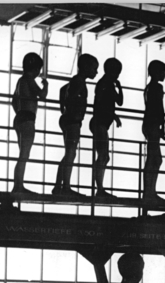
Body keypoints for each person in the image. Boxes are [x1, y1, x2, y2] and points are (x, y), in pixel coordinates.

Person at [52, 53, 99, 198]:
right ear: (85, 67)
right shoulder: (79, 81)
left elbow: (62, 90)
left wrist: (64, 108)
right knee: (70, 153)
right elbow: (71, 95)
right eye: (94, 68)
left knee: (69, 153)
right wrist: (72, 110)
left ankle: (59, 186)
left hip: (69, 119)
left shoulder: (77, 80)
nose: (96, 72)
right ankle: (64, 186)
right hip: (72, 120)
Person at [10, 52, 48, 194]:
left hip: (20, 117)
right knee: (24, 154)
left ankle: (18, 185)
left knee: (22, 154)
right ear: (36, 68)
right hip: (27, 118)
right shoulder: (29, 79)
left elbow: (13, 101)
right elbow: (42, 95)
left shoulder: (20, 81)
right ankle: (18, 186)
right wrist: (46, 86)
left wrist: (20, 111)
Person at [90, 57, 123, 200]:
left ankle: (100, 187)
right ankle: (99, 188)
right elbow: (100, 105)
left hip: (101, 123)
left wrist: (119, 87)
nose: (118, 75)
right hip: (99, 123)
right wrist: (114, 116)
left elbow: (119, 102)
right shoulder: (104, 84)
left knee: (104, 156)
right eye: (117, 72)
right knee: (102, 156)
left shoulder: (108, 84)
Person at [142, 59, 165, 205]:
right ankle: (149, 191)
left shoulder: (148, 88)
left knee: (154, 158)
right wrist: (162, 126)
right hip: (152, 124)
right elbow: (159, 107)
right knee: (155, 158)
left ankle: (150, 191)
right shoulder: (156, 88)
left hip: (149, 124)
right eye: (163, 72)